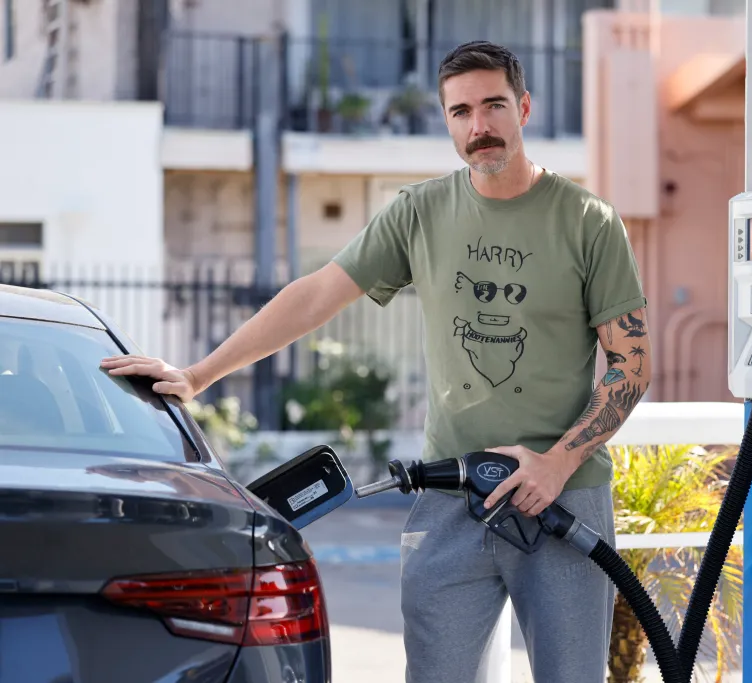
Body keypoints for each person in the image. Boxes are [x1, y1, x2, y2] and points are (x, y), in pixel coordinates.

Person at [100, 40, 652, 683]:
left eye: (494, 105)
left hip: (563, 498)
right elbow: (315, 296)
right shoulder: (420, 212)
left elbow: (630, 365)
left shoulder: (589, 222)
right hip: (453, 498)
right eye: (461, 111)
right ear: (446, 121)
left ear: (524, 107)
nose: (480, 127)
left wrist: (556, 465)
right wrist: (199, 375)